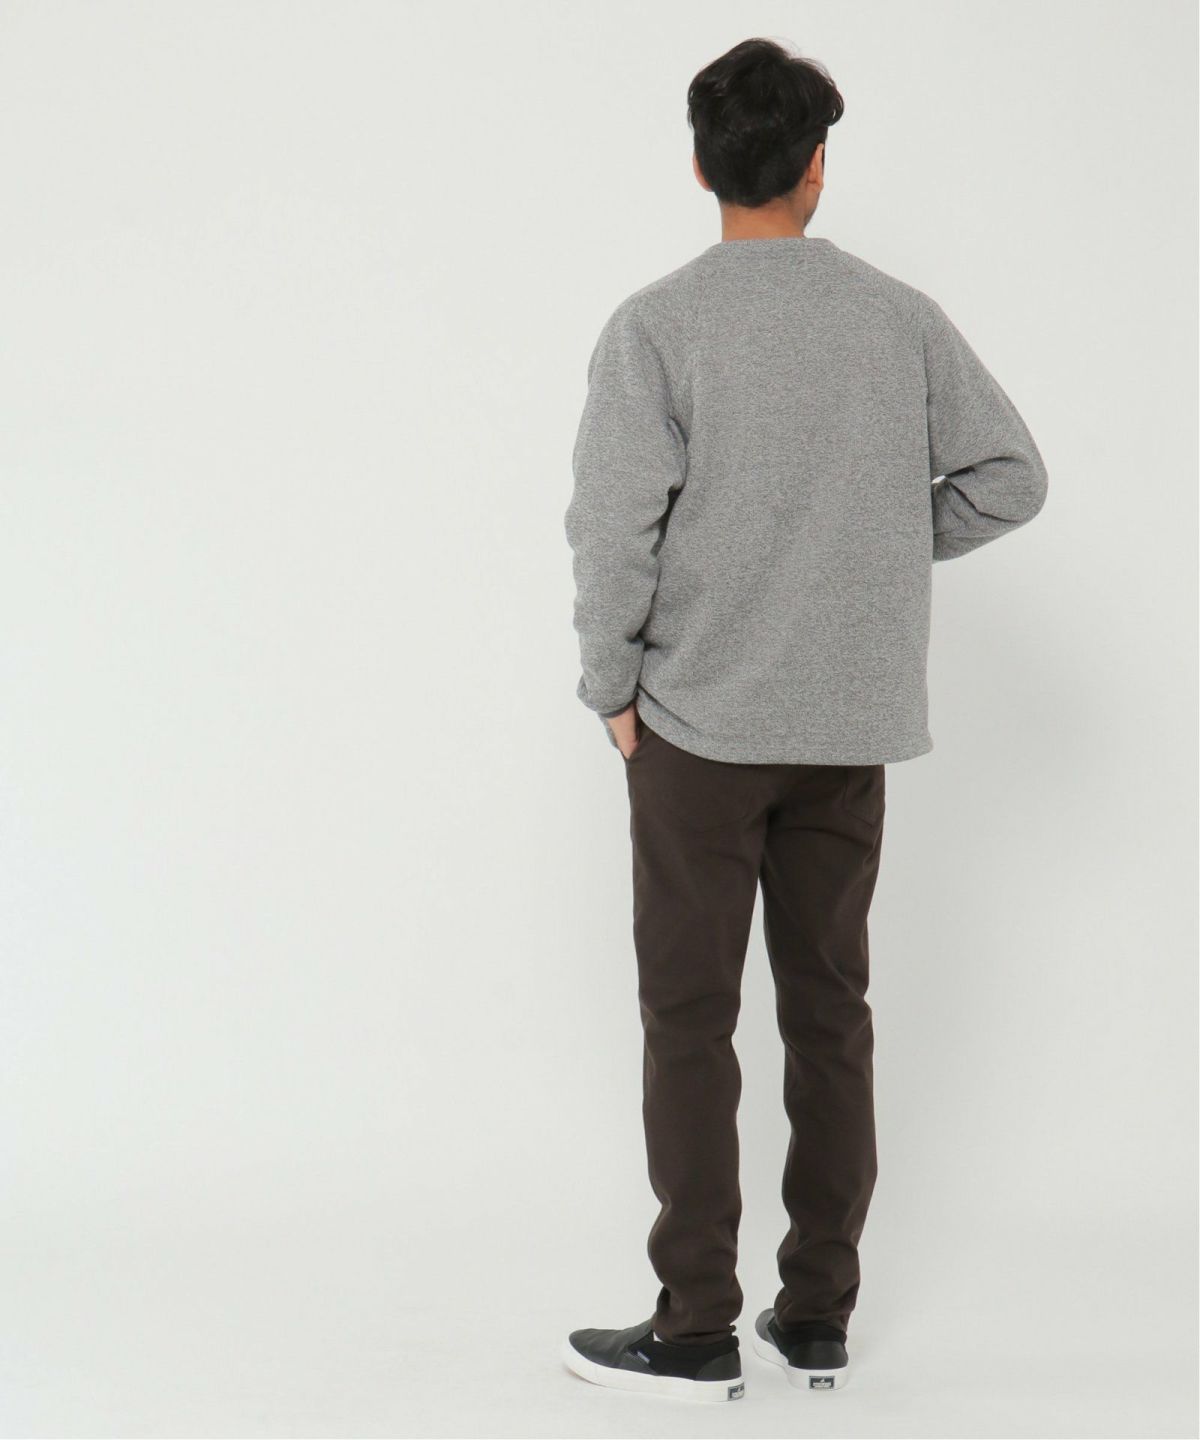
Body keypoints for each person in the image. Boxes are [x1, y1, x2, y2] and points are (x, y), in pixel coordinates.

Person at [560, 36, 1048, 1403]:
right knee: (832, 1012)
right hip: (846, 732)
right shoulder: (898, 318)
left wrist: (610, 687)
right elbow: (1011, 477)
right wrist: (872, 550)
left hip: (696, 730)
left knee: (689, 1020)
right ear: (818, 166)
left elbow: (612, 530)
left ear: (699, 165)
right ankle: (818, 1313)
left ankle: (696, 1325)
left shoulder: (657, 325)